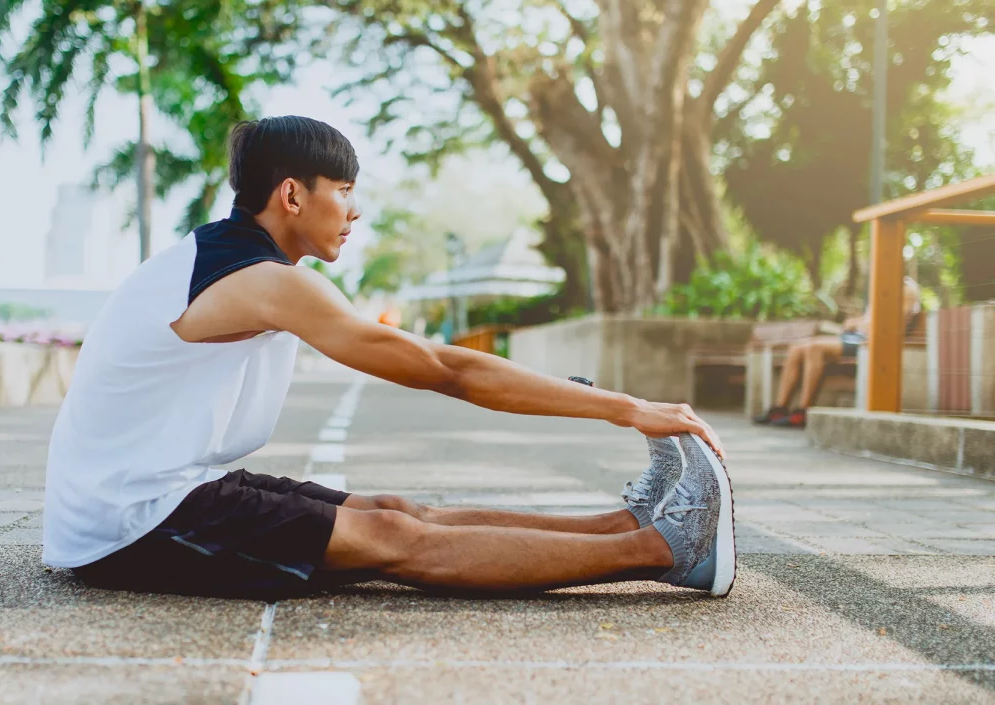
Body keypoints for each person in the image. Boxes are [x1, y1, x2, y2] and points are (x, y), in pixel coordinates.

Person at [43, 116, 737, 601]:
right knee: (394, 538)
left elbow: (440, 362)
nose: (354, 211)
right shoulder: (261, 282)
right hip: (128, 523)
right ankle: (665, 551)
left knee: (397, 508)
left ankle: (626, 527)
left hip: (157, 490)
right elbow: (448, 370)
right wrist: (623, 407)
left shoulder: (236, 260)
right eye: (342, 191)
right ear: (292, 194)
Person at [754, 277, 922, 428]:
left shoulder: (907, 289)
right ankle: (780, 408)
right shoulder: (884, 285)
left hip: (869, 343)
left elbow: (893, 325)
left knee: (814, 348)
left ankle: (803, 411)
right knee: (797, 348)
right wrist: (856, 322)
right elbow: (866, 320)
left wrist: (858, 324)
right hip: (856, 337)